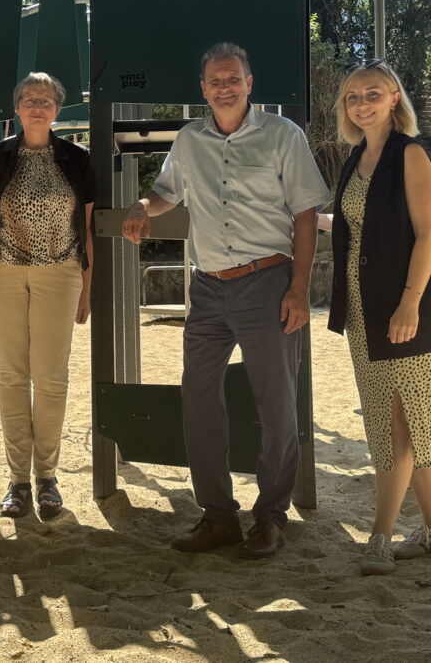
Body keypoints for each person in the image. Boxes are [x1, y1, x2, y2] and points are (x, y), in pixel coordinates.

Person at [122, 42, 330, 559]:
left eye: (232, 78)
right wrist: (140, 206)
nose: (224, 86)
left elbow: (306, 214)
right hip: (208, 287)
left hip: (268, 282)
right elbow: (167, 193)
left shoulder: (284, 135)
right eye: (215, 80)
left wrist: (299, 287)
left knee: (278, 404)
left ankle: (270, 518)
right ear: (203, 88)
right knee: (198, 398)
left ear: (249, 83)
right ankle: (218, 517)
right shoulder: (189, 139)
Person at [0, 72, 94, 519]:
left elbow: (89, 229)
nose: (38, 106)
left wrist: (87, 289)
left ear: (57, 110)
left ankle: (48, 478)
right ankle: (18, 480)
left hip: (60, 273)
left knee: (52, 377)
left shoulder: (77, 158)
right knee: (12, 376)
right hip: (0, 273)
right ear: (17, 107)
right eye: (29, 100)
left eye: (46, 100)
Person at [325, 60, 431, 575]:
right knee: (397, 426)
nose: (361, 103)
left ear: (394, 99)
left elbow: (429, 233)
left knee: (409, 427)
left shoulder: (409, 154)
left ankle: (380, 537)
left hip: (405, 311)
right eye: (352, 97)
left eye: (373, 93)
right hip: (363, 316)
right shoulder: (354, 159)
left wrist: (410, 301)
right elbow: (358, 223)